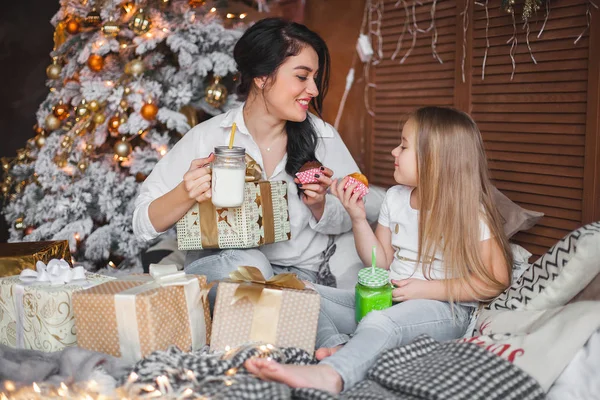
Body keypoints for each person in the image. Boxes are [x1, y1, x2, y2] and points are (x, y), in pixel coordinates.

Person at [244, 106, 513, 393]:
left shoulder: (470, 211)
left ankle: (331, 375)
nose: (394, 152)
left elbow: (496, 280)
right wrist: (358, 217)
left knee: (379, 321)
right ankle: (339, 348)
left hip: (445, 308)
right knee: (305, 293)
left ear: (435, 159)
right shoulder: (395, 198)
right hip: (388, 298)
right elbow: (380, 264)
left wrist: (425, 289)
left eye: (404, 146)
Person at [132, 18, 362, 304]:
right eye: (302, 77)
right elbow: (142, 223)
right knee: (251, 265)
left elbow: (355, 216)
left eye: (315, 78)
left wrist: (320, 206)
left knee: (322, 302)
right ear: (262, 77)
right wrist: (185, 192)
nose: (313, 90)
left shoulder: (323, 137)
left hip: (303, 278)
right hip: (227, 272)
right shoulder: (207, 138)